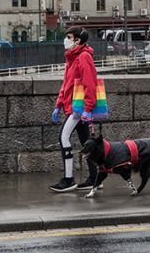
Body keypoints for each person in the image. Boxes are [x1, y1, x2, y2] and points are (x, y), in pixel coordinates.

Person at [50, 27, 99, 193]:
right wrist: (58, 105)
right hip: (73, 106)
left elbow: (90, 84)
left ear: (77, 40)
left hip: (78, 108)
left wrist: (88, 109)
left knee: (63, 137)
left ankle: (69, 179)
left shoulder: (83, 57)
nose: (66, 40)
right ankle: (95, 179)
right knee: (87, 142)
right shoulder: (71, 58)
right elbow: (66, 85)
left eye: (69, 37)